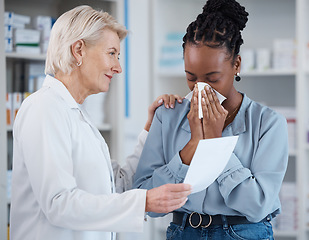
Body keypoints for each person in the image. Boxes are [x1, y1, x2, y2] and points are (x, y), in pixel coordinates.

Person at [10, 5, 191, 240]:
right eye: (111, 53)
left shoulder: (78, 115)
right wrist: (144, 202)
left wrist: (150, 130)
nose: (118, 67)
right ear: (79, 50)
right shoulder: (44, 108)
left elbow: (118, 185)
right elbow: (58, 203)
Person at [133, 0, 289, 239]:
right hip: (184, 231)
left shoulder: (268, 123)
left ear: (236, 65)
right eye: (191, 78)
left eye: (212, 78)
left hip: (244, 233)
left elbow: (258, 205)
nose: (200, 88)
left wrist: (215, 144)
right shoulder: (168, 116)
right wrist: (192, 147)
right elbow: (143, 197)